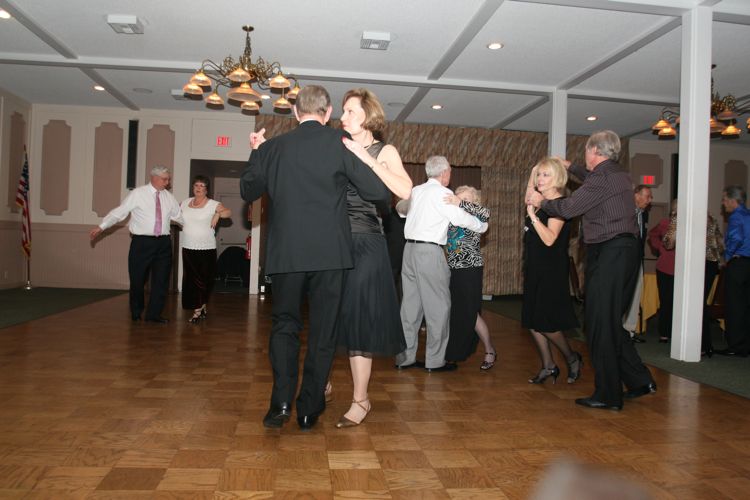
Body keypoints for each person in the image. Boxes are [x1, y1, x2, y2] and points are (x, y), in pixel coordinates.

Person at [240, 85, 390, 430]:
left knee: (284, 326)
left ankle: (280, 405)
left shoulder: (273, 148)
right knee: (323, 331)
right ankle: (308, 409)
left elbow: (248, 190)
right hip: (330, 255)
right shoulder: (340, 144)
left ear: (295, 113)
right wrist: (362, 157)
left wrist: (256, 152)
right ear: (327, 113)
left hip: (287, 254)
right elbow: (377, 192)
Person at [526, 130, 655, 411]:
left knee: (598, 324)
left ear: (594, 151)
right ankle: (640, 380)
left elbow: (570, 207)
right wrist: (570, 166)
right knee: (610, 321)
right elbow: (590, 178)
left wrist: (541, 203)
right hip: (622, 251)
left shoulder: (603, 178)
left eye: (586, 151)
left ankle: (608, 395)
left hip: (611, 252)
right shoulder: (617, 174)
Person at [330, 87, 412, 428]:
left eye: (350, 111)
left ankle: (360, 399)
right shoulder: (335, 147)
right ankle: (322, 380)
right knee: (332, 315)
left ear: (368, 115)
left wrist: (366, 159)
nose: (343, 117)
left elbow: (405, 191)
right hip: (334, 242)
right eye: (343, 111)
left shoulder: (384, 150)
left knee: (360, 319)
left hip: (366, 243)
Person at [396, 156, 488, 372]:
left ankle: (405, 358)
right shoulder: (442, 193)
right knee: (438, 307)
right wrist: (482, 226)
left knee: (409, 308)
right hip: (429, 252)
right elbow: (462, 220)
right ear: (445, 173)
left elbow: (400, 210)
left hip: (408, 251)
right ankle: (435, 362)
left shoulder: (417, 191)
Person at [90, 165, 183, 323]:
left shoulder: (169, 197)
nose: (168, 183)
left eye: (168, 180)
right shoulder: (138, 194)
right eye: (165, 179)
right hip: (142, 242)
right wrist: (102, 226)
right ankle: (136, 311)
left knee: (161, 281)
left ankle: (153, 315)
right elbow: (120, 212)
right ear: (154, 178)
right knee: (138, 279)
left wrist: (198, 227)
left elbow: (179, 216)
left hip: (163, 243)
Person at [522, 158, 581, 384]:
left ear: (557, 178)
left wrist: (533, 216)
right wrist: (534, 169)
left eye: (546, 175)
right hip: (534, 266)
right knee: (532, 320)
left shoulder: (559, 205)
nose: (540, 179)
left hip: (550, 269)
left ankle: (572, 358)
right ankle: (548, 365)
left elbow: (549, 239)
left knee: (546, 323)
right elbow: (530, 193)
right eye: (539, 175)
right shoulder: (539, 200)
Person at [443, 186, 495, 370]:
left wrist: (460, 203)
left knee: (469, 312)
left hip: (470, 269)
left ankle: (488, 350)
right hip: (454, 270)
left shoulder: (476, 216)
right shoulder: (452, 216)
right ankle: (457, 350)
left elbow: (487, 213)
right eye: (458, 197)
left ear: (474, 202)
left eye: (466, 199)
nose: (460, 201)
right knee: (460, 312)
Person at [180, 175, 231, 323]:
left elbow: (228, 212)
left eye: (202, 186)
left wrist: (218, 214)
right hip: (188, 247)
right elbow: (174, 214)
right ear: (193, 187)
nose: (199, 188)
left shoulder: (213, 204)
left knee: (203, 280)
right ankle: (198, 309)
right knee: (191, 280)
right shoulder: (185, 203)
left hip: (206, 248)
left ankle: (200, 307)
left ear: (206, 190)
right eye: (196, 185)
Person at [715, 186, 750, 357]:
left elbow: (736, 238)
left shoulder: (736, 216)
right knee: (746, 305)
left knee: (734, 305)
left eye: (724, 200)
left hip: (738, 265)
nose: (723, 203)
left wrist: (727, 258)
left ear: (732, 200)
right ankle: (746, 345)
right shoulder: (748, 214)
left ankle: (736, 346)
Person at [623, 185, 653, 342]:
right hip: (624, 260)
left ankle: (630, 331)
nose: (650, 200)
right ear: (636, 195)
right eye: (647, 196)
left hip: (638, 259)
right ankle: (618, 330)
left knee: (636, 295)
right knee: (623, 294)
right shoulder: (625, 211)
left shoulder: (644, 214)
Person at [648, 200, 677, 344]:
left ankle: (677, 332)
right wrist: (660, 247)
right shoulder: (665, 223)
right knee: (666, 301)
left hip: (683, 271)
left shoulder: (690, 225)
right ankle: (664, 333)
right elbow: (652, 234)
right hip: (665, 269)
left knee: (678, 303)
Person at [702, 213, 723, 357]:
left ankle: (705, 345)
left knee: (699, 304)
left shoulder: (711, 224)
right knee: (700, 304)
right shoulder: (711, 223)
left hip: (707, 264)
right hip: (708, 264)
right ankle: (705, 345)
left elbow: (720, 246)